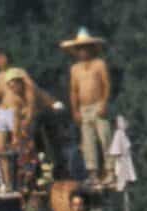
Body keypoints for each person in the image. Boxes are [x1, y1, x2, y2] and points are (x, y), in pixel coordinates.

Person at [61, 29, 112, 184]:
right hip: (83, 108)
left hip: (98, 105)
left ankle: (110, 170)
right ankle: (93, 173)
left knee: (105, 137)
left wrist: (104, 102)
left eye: (85, 48)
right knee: (87, 141)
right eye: (79, 49)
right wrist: (75, 110)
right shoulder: (75, 69)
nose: (82, 51)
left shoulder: (99, 64)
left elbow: (106, 84)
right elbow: (73, 90)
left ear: (91, 48)